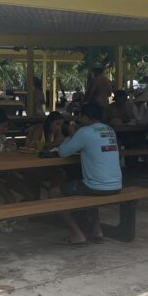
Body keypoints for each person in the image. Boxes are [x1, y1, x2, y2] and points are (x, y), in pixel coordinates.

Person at [46, 101, 122, 245]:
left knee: (54, 193)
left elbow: (62, 152)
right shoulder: (109, 129)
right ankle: (96, 230)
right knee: (88, 189)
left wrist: (71, 135)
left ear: (85, 117)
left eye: (80, 115)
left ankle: (77, 234)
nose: (79, 118)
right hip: (116, 184)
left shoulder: (84, 132)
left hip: (96, 186)